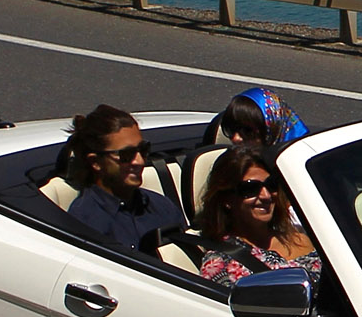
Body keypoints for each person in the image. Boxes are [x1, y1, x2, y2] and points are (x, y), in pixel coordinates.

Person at [58, 104, 185, 256]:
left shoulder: (162, 206)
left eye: (143, 150)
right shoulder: (85, 223)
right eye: (126, 155)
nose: (139, 161)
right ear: (96, 163)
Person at [195, 142, 328, 288]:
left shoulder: (299, 234)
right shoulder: (221, 264)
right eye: (250, 188)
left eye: (271, 184)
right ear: (226, 199)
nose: (266, 195)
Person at [211, 86, 308, 155]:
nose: (236, 138)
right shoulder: (227, 166)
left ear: (270, 131)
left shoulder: (296, 170)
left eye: (247, 131)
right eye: (230, 129)